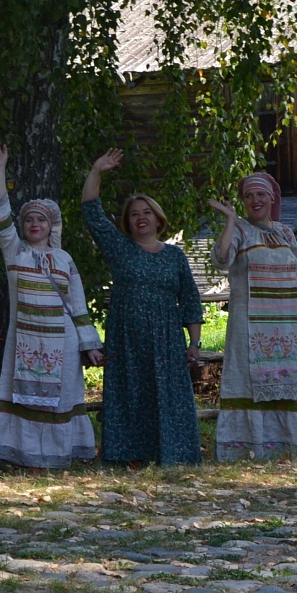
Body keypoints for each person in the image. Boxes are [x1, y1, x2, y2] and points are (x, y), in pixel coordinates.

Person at [80, 148, 203, 466]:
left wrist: (195, 341)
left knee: (168, 395)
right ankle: (129, 455)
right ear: (128, 221)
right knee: (130, 393)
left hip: (166, 338)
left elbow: (189, 298)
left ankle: (173, 453)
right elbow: (92, 212)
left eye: (146, 212)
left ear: (158, 218)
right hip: (126, 336)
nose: (141, 218)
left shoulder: (174, 255)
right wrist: (97, 170)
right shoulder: (119, 248)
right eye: (134, 214)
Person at [0, 139, 102, 469]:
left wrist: (90, 346)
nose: (34, 224)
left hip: (62, 343)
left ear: (52, 226)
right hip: (23, 341)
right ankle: (25, 457)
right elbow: (0, 216)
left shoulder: (65, 259)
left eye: (41, 220)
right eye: (29, 221)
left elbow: (77, 306)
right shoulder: (15, 254)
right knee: (22, 398)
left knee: (60, 399)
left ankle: (58, 457)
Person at [208, 173, 297, 459]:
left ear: (272, 199)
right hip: (247, 325)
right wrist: (230, 220)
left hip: (284, 327)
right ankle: (244, 447)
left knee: (282, 384)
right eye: (249, 196)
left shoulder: (286, 234)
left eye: (261, 195)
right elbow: (221, 259)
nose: (255, 201)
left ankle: (283, 445)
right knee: (247, 382)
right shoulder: (241, 230)